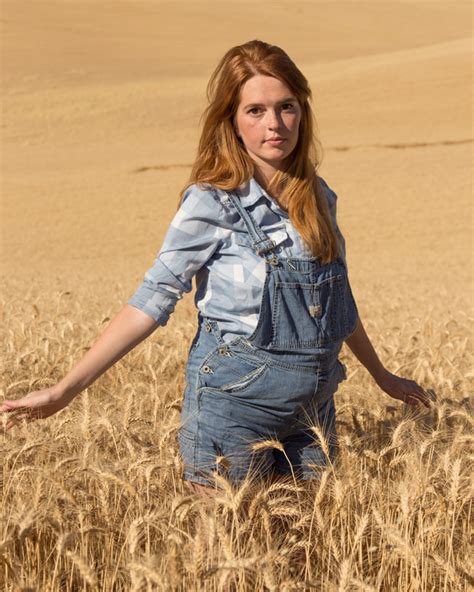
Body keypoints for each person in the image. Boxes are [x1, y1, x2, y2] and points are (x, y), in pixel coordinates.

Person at [0, 40, 431, 499]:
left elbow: (332, 303)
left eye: (286, 107)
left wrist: (382, 375)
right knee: (230, 554)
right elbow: (152, 300)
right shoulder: (212, 202)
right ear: (232, 121)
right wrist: (65, 390)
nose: (274, 124)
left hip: (313, 413)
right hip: (234, 411)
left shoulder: (318, 197)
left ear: (302, 111)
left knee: (310, 555)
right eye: (256, 111)